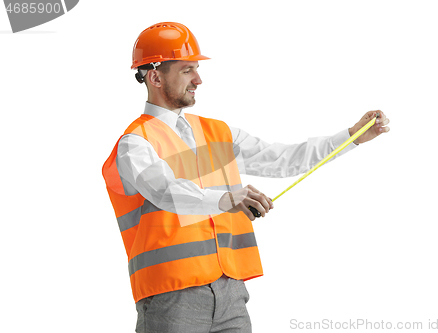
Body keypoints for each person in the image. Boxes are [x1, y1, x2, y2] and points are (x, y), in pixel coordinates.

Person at [102, 22, 390, 333]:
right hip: (170, 297)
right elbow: (165, 192)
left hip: (231, 294)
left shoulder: (218, 133)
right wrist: (227, 199)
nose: (199, 79)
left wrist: (352, 137)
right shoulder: (135, 142)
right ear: (156, 77)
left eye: (196, 69)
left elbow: (283, 160)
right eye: (187, 70)